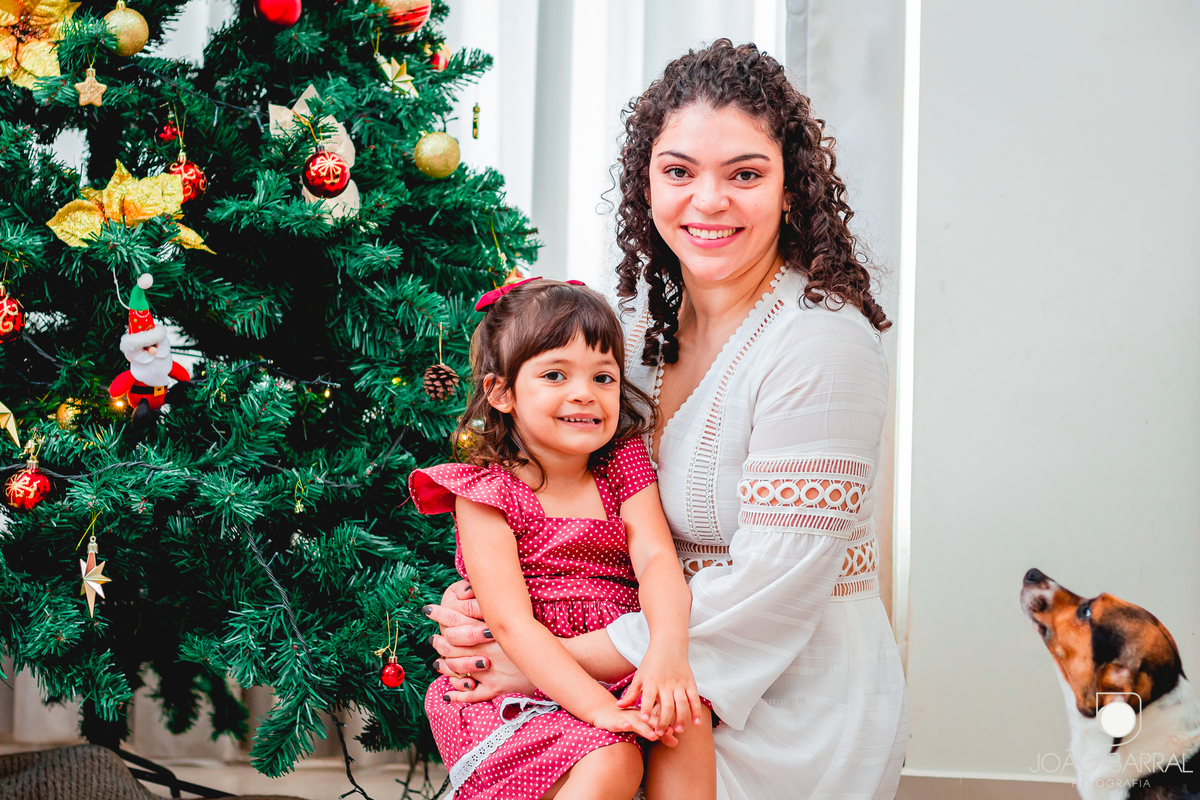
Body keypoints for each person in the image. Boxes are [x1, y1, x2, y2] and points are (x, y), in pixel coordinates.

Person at [428, 40, 909, 799]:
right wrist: (488, 613)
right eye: (679, 171)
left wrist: (547, 658)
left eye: (745, 174)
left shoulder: (823, 343)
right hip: (618, 659)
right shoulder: (627, 333)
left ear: (791, 190)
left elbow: (771, 588)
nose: (708, 201)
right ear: (646, 185)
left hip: (778, 698)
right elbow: (543, 495)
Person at [410, 279, 717, 800]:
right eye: (555, 375)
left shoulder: (622, 465)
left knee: (685, 716)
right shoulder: (487, 493)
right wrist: (597, 710)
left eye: (603, 377)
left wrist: (666, 649)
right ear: (501, 392)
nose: (585, 393)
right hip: (522, 678)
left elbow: (657, 558)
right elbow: (510, 622)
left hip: (615, 660)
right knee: (611, 758)